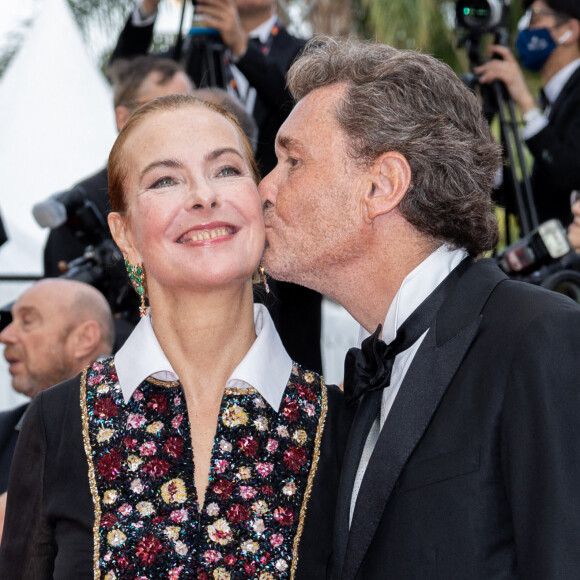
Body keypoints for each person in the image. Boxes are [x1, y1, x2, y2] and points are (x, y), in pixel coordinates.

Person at [259, 36, 580, 579]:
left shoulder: (537, 338)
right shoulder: (367, 378)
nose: (263, 188)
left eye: (292, 160)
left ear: (382, 186)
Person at [0, 95, 348, 579]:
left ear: (260, 199)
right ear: (125, 237)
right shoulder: (57, 422)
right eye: (165, 180)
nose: (204, 196)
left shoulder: (342, 426)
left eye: (226, 170)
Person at [111, 0, 324, 374]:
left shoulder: (306, 52)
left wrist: (243, 49)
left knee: (291, 368)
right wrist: (147, 9)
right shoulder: (189, 50)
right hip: (200, 240)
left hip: (285, 243)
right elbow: (124, 74)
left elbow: (304, 111)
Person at [43, 56, 193, 278]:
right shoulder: (84, 206)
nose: (184, 122)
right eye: (165, 107)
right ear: (123, 118)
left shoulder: (203, 192)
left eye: (191, 106)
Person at [0, 278, 115, 495]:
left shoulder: (141, 430)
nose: (5, 336)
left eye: (27, 321)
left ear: (84, 339)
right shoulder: (5, 430)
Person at [475, 0, 580, 227]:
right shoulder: (554, 98)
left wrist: (524, 101)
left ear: (570, 31)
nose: (525, 29)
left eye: (535, 18)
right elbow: (537, 200)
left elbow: (570, 173)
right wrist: (488, 163)